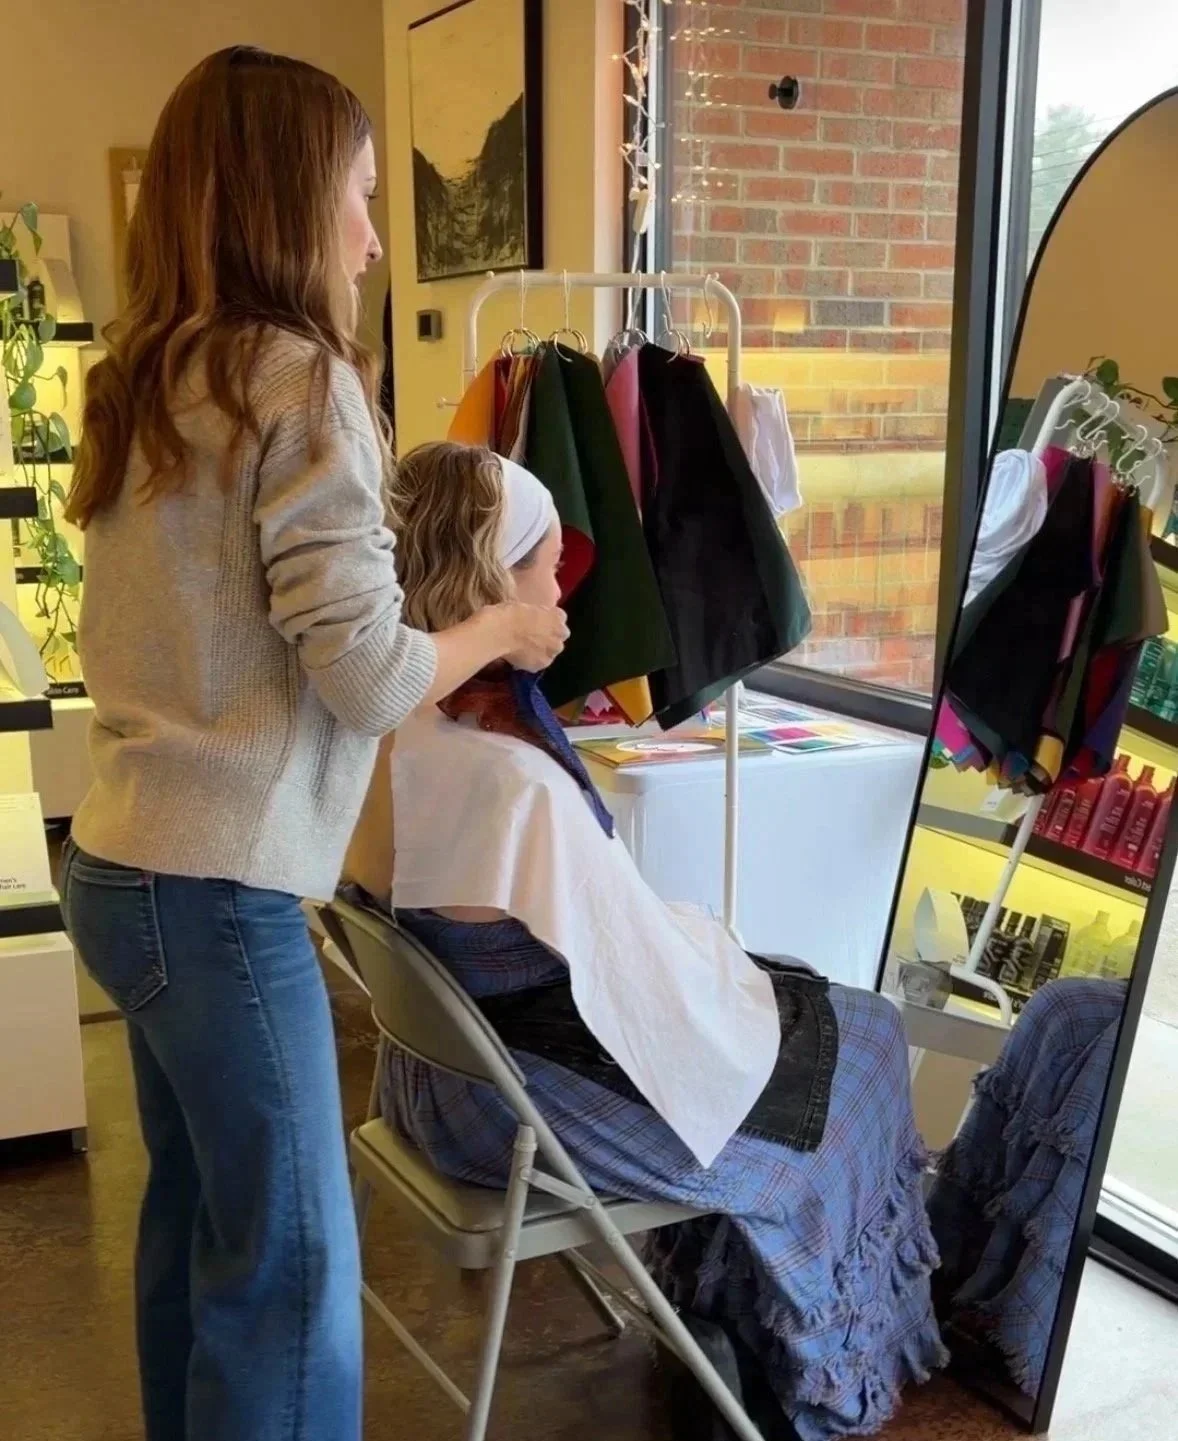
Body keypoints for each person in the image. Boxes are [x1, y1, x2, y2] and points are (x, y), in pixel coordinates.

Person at [58, 48, 566, 1441]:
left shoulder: (149, 375)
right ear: (293, 202)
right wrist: (504, 635)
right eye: (356, 193)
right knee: (287, 1276)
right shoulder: (300, 381)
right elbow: (366, 674)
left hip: (116, 866)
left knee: (199, 1234)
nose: (374, 233)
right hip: (215, 893)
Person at [345, 441, 948, 1441]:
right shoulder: (508, 779)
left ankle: (720, 1295)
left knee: (785, 991)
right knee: (865, 1035)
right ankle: (816, 1351)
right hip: (518, 1112)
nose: (563, 588)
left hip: (433, 1082)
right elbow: (643, 989)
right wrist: (726, 981)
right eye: (545, 564)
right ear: (497, 584)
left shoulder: (389, 735)